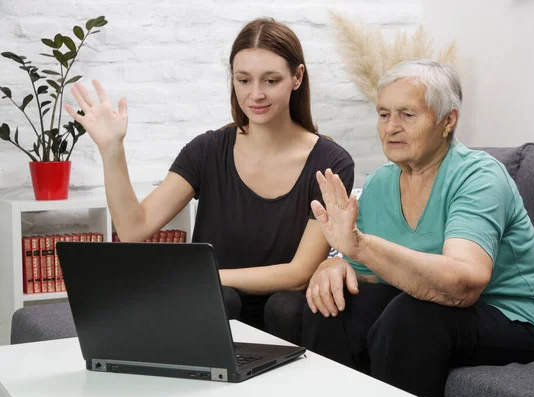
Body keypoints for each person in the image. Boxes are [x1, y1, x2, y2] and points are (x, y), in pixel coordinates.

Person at [65, 18, 354, 345]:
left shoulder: (331, 162)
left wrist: (205, 276)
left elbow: (299, 273)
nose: (255, 94)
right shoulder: (208, 150)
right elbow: (134, 228)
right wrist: (112, 150)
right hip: (212, 307)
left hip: (284, 311)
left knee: (283, 306)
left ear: (297, 77)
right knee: (224, 299)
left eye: (270, 80)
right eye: (244, 80)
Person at [301, 59, 534, 397]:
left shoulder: (478, 176)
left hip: (517, 321)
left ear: (448, 121)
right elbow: (366, 271)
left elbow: (464, 284)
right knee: (331, 305)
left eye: (407, 115)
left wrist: (360, 246)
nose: (391, 127)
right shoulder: (381, 183)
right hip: (434, 313)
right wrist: (336, 264)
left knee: (411, 317)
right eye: (384, 114)